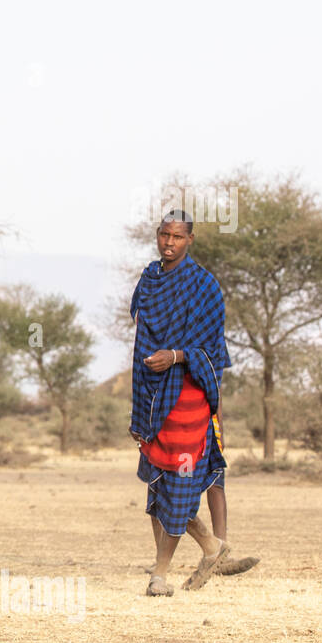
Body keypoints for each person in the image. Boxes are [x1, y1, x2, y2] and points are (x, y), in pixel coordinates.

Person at [129, 209, 256, 596]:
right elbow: (140, 339)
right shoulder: (150, 280)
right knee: (158, 482)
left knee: (182, 484)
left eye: (178, 237)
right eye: (164, 235)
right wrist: (141, 394)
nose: (169, 243)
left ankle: (160, 575)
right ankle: (211, 548)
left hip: (188, 397)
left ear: (190, 240)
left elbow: (212, 351)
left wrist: (178, 355)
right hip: (152, 396)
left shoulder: (204, 286)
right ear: (157, 235)